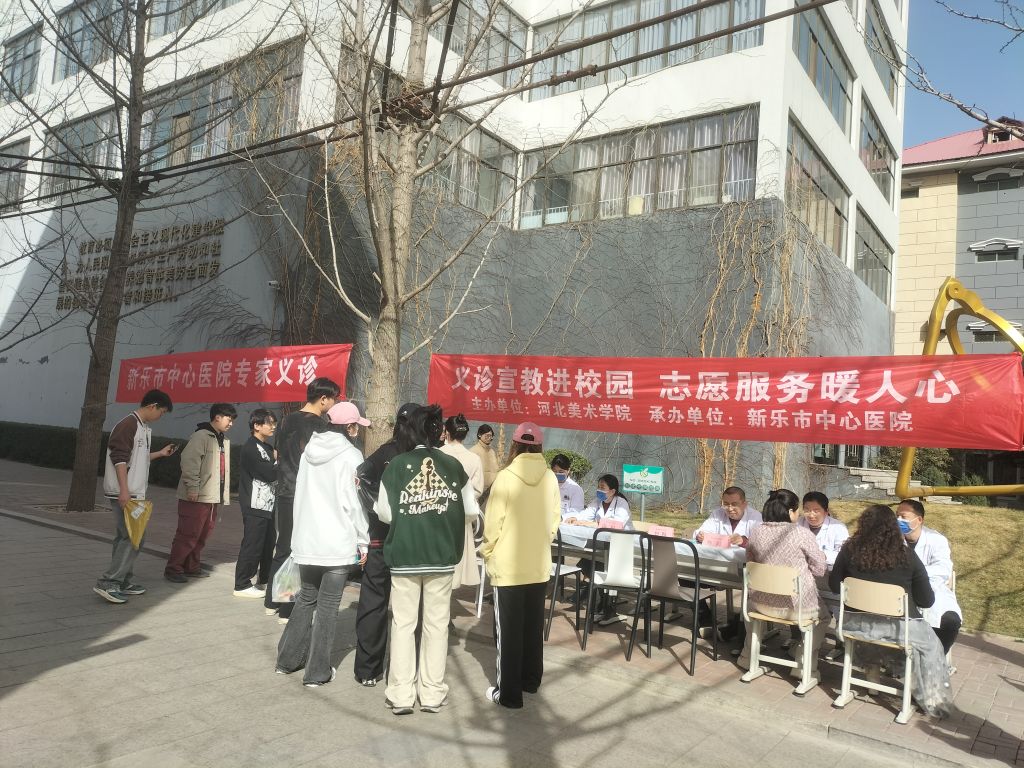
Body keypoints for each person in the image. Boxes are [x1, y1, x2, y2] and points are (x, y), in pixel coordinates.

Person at [375, 405, 480, 715]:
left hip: (405, 556)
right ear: (438, 433)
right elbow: (470, 511)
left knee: (403, 624)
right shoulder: (453, 466)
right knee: (436, 625)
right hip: (441, 557)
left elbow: (385, 513)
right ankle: (432, 693)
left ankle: (401, 693)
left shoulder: (396, 465)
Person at [275, 402, 371, 687]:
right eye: (356, 426)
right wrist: (363, 540)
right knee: (328, 606)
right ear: (350, 427)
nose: (357, 431)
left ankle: (287, 661)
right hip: (337, 542)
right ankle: (317, 672)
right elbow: (354, 503)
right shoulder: (351, 455)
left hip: (308, 539)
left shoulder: (309, 451)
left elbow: (301, 493)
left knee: (306, 598)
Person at [829, 505, 951, 717]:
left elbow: (833, 585)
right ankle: (931, 698)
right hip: (899, 629)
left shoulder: (848, 551)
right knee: (931, 646)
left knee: (873, 629)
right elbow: (926, 600)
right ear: (893, 528)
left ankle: (872, 673)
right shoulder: (907, 557)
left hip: (855, 625)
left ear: (863, 525)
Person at [481, 422, 561, 709]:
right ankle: (530, 681)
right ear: (539, 446)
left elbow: (493, 524)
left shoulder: (505, 477)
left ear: (515, 445)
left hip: (508, 566)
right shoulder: (550, 478)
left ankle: (509, 694)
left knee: (508, 633)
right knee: (532, 628)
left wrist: (488, 552)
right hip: (538, 565)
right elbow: (554, 521)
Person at [353, 402, 420, 688]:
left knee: (373, 602)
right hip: (411, 543)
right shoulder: (424, 458)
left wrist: (379, 510)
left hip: (380, 539)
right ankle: (404, 672)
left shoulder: (384, 453)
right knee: (409, 610)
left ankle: (367, 670)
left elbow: (360, 478)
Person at [264, 377, 340, 622]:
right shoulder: (320, 425)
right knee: (298, 549)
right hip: (305, 492)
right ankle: (287, 608)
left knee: (283, 545)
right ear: (323, 399)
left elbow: (278, 453)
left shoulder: (287, 420)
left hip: (285, 489)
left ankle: (272, 602)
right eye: (334, 398)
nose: (334, 403)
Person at [93, 389, 176, 604]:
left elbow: (136, 457)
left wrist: (160, 453)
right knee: (132, 536)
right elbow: (119, 458)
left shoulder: (140, 426)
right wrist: (124, 490)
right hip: (126, 493)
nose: (161, 416)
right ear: (152, 406)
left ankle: (121, 580)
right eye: (162, 412)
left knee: (128, 536)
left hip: (131, 492)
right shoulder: (128, 425)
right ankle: (110, 582)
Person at [740, 489, 830, 675]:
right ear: (790, 512)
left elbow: (750, 563)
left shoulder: (756, 532)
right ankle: (802, 665)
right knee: (824, 618)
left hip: (760, 603)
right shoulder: (802, 534)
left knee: (750, 608)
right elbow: (820, 570)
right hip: (797, 607)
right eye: (797, 510)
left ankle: (747, 657)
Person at [165, 403, 236, 582]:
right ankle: (173, 569)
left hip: (211, 496)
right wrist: (193, 488)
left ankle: (191, 566)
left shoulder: (222, 439)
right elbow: (189, 462)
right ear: (217, 417)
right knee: (188, 534)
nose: (231, 423)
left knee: (203, 534)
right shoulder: (201, 436)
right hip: (196, 496)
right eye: (229, 419)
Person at [897, 499, 963, 654]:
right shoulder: (893, 539)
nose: (898, 520)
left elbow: (943, 569)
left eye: (903, 517)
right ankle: (901, 660)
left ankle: (936, 659)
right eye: (897, 516)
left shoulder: (936, 540)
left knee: (950, 621)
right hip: (900, 593)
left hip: (935, 591)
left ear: (919, 520)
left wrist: (917, 574)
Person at [233, 409, 278, 598]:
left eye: (274, 423)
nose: (273, 426)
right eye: (269, 423)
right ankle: (242, 584)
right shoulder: (251, 447)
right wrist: (281, 461)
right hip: (254, 504)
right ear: (256, 426)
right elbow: (269, 474)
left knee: (268, 544)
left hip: (268, 504)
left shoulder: (266, 447)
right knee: (253, 544)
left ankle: (264, 579)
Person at [440, 413, 484, 591]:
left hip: (436, 514)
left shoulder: (437, 454)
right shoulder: (473, 459)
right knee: (455, 564)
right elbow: (477, 490)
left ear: (447, 432)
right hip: (461, 517)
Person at [694, 486, 761, 547]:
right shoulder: (717, 514)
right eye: (726, 504)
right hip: (716, 554)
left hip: (744, 556)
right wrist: (701, 536)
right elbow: (701, 531)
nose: (730, 509)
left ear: (744, 504)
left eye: (734, 504)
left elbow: (760, 542)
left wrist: (743, 541)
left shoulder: (754, 517)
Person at [797, 491, 849, 566]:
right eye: (807, 510)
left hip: (828, 570)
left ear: (826, 511)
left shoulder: (838, 527)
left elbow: (844, 554)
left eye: (816, 511)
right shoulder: (797, 524)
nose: (811, 515)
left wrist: (823, 555)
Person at [551, 454, 584, 520]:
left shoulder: (576, 489)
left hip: (564, 523)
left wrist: (561, 518)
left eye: (561, 471)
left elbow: (577, 511)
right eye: (554, 471)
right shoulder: (548, 484)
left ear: (568, 470)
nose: (557, 474)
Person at [470, 423, 499, 491]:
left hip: (492, 489)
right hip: (478, 490)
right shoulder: (473, 451)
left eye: (491, 436)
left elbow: (496, 470)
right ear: (479, 435)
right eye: (487, 436)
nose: (489, 438)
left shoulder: (492, 452)